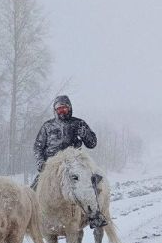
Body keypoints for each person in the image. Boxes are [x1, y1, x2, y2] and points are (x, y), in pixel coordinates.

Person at [31, 95, 106, 228]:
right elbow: (38, 147)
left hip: (74, 164)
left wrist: (85, 134)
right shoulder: (47, 126)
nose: (62, 112)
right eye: (59, 109)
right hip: (52, 167)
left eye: (65, 109)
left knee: (90, 184)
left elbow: (92, 143)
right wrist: (40, 162)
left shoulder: (78, 123)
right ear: (55, 111)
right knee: (33, 190)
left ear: (70, 108)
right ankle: (32, 219)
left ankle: (95, 214)